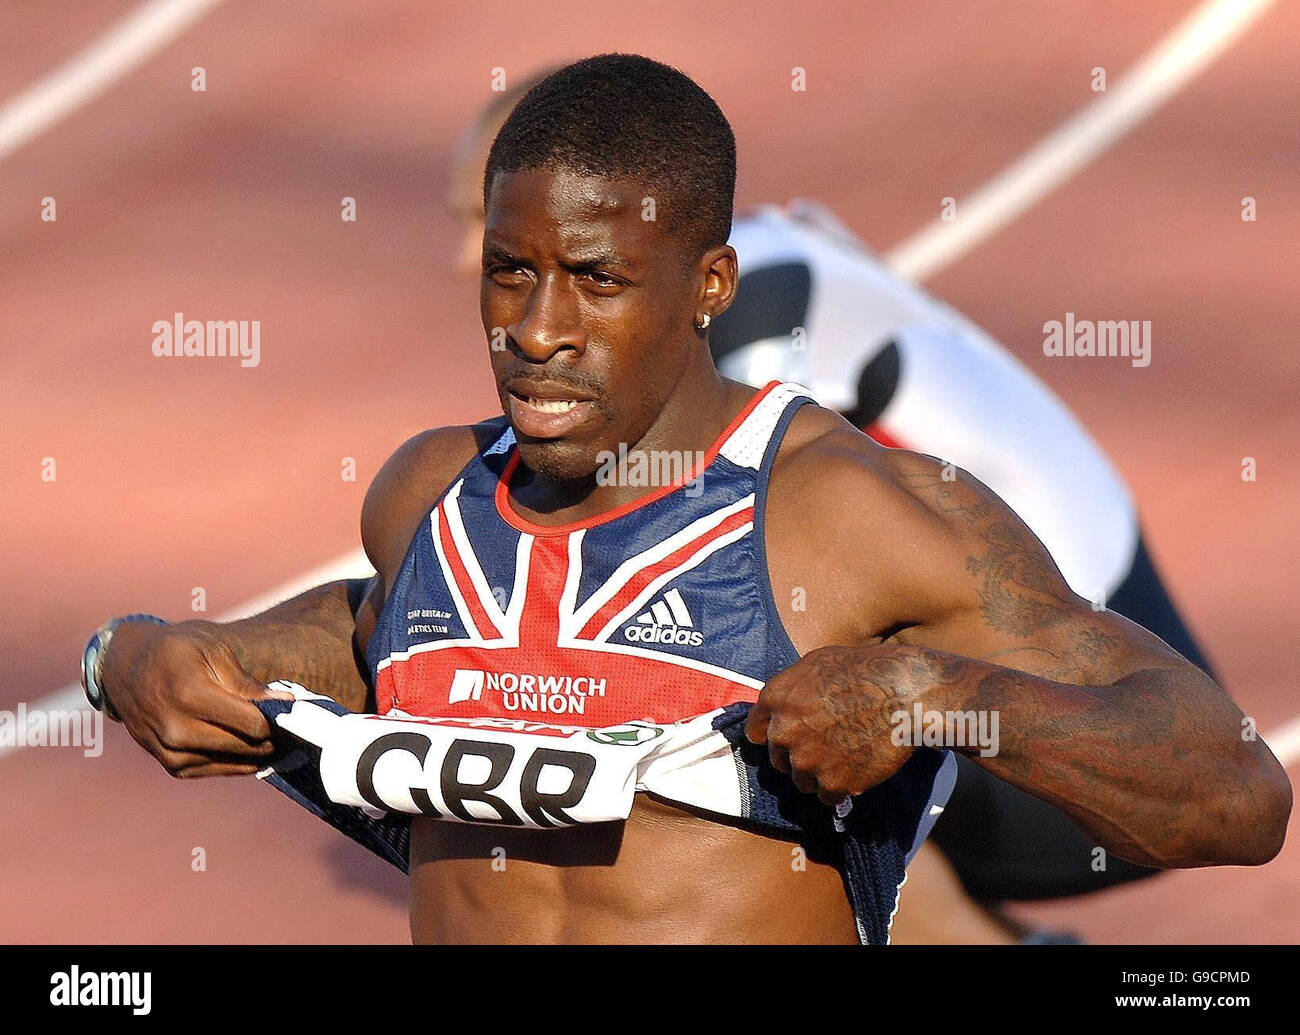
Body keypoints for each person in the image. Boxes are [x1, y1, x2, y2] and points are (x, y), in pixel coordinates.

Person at [86, 54, 1290, 945]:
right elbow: (382, 626)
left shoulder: (855, 520)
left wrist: (937, 695)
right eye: (511, 272)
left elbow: (1236, 795)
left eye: (597, 282)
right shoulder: (427, 493)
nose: (536, 332)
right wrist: (150, 653)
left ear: (710, 282)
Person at [443, 72, 1221, 943]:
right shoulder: (756, 258)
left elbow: (737, 543)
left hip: (1075, 675)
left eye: (483, 225)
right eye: (498, 243)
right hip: (1053, 613)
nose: (465, 258)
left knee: (764, 714)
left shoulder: (753, 317)